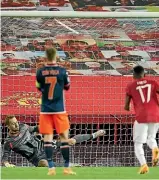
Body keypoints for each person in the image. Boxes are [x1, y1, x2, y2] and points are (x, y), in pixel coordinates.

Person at [2, 115, 106, 168]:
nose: (16, 125)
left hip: (45, 146)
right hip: (35, 157)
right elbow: (5, 158)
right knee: (44, 163)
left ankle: (94, 134)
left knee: (70, 141)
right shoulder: (9, 142)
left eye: (16, 122)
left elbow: (35, 129)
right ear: (7, 126)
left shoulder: (23, 127)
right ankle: (70, 165)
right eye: (13, 124)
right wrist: (6, 164)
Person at [124, 65, 159, 174]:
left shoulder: (130, 86)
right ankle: (154, 148)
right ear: (144, 74)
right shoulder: (152, 82)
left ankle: (144, 165)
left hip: (141, 117)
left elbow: (126, 106)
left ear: (134, 75)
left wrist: (128, 107)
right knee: (151, 138)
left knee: (138, 143)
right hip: (156, 115)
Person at [36, 47, 72, 175]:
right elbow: (67, 87)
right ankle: (67, 168)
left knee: (48, 137)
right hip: (59, 109)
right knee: (64, 137)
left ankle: (51, 168)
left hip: (45, 109)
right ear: (56, 56)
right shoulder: (62, 71)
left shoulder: (40, 72)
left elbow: (39, 88)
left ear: (45, 56)